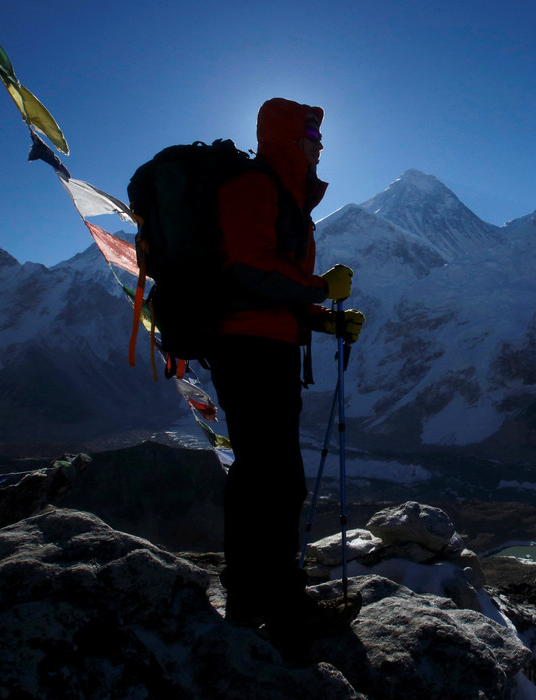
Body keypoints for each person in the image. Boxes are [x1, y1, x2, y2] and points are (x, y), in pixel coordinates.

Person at [207, 97, 365, 655]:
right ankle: (279, 604)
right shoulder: (256, 186)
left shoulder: (288, 196)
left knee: (265, 476)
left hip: (266, 346)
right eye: (311, 134)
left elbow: (275, 287)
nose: (320, 143)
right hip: (249, 349)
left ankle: (254, 599)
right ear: (286, 137)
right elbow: (251, 271)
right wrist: (321, 289)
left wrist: (325, 321)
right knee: (271, 480)